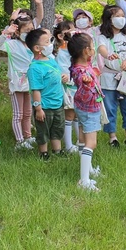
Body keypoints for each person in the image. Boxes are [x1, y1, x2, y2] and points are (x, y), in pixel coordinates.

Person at [0, 10, 37, 150]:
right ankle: (19, 141)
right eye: (26, 30)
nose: (29, 33)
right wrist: (7, 32)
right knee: (17, 114)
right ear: (18, 33)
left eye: (31, 30)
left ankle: (28, 136)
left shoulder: (33, 46)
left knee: (28, 113)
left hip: (30, 83)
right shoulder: (12, 44)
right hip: (17, 82)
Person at [97, 5, 126, 148]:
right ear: (109, 19)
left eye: (122, 16)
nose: (121, 19)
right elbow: (101, 48)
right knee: (110, 108)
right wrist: (108, 54)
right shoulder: (102, 37)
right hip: (108, 78)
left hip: (125, 77)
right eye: (117, 16)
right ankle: (112, 137)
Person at [68, 33, 104, 191]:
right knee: (91, 143)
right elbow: (84, 91)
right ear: (85, 51)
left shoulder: (80, 65)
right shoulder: (82, 74)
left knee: (82, 140)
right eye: (92, 46)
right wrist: (87, 84)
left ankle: (88, 170)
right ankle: (84, 180)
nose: (94, 49)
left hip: (83, 109)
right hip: (89, 110)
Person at [26, 28, 66, 159]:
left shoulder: (51, 60)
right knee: (43, 130)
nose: (50, 44)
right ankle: (43, 153)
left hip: (58, 103)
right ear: (37, 48)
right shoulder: (35, 68)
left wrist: (64, 77)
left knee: (57, 128)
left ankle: (57, 150)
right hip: (44, 106)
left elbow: (57, 74)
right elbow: (36, 90)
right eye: (47, 41)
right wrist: (38, 108)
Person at [54, 20, 80, 153]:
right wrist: (68, 78)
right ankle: (69, 145)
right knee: (69, 115)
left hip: (77, 86)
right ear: (60, 36)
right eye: (69, 31)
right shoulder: (61, 52)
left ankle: (79, 141)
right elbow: (62, 69)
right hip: (68, 87)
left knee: (75, 115)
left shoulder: (75, 50)